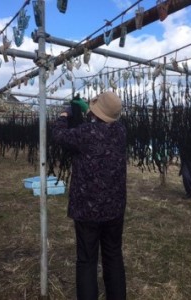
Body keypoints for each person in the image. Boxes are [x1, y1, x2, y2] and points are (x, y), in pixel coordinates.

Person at [52, 91, 127, 300]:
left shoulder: (84, 133)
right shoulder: (121, 132)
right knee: (113, 256)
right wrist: (90, 112)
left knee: (87, 261)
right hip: (114, 209)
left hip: (87, 211)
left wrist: (64, 116)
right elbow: (101, 126)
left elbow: (58, 135)